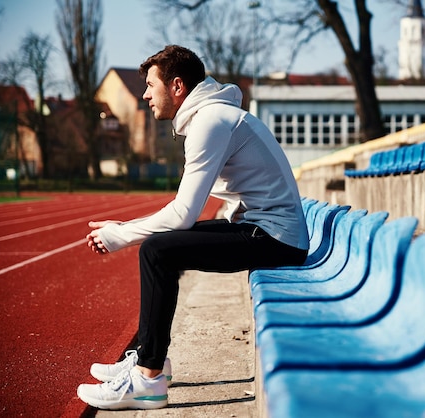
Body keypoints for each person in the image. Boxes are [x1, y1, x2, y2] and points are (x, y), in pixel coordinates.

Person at [76, 45, 309, 410]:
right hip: (267, 231)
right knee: (163, 246)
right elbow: (183, 215)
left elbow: (183, 213)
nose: (145, 94)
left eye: (152, 85)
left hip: (276, 239)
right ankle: (148, 358)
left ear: (178, 86)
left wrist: (119, 234)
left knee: (158, 251)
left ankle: (148, 378)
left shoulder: (210, 121)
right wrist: (125, 226)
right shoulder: (211, 117)